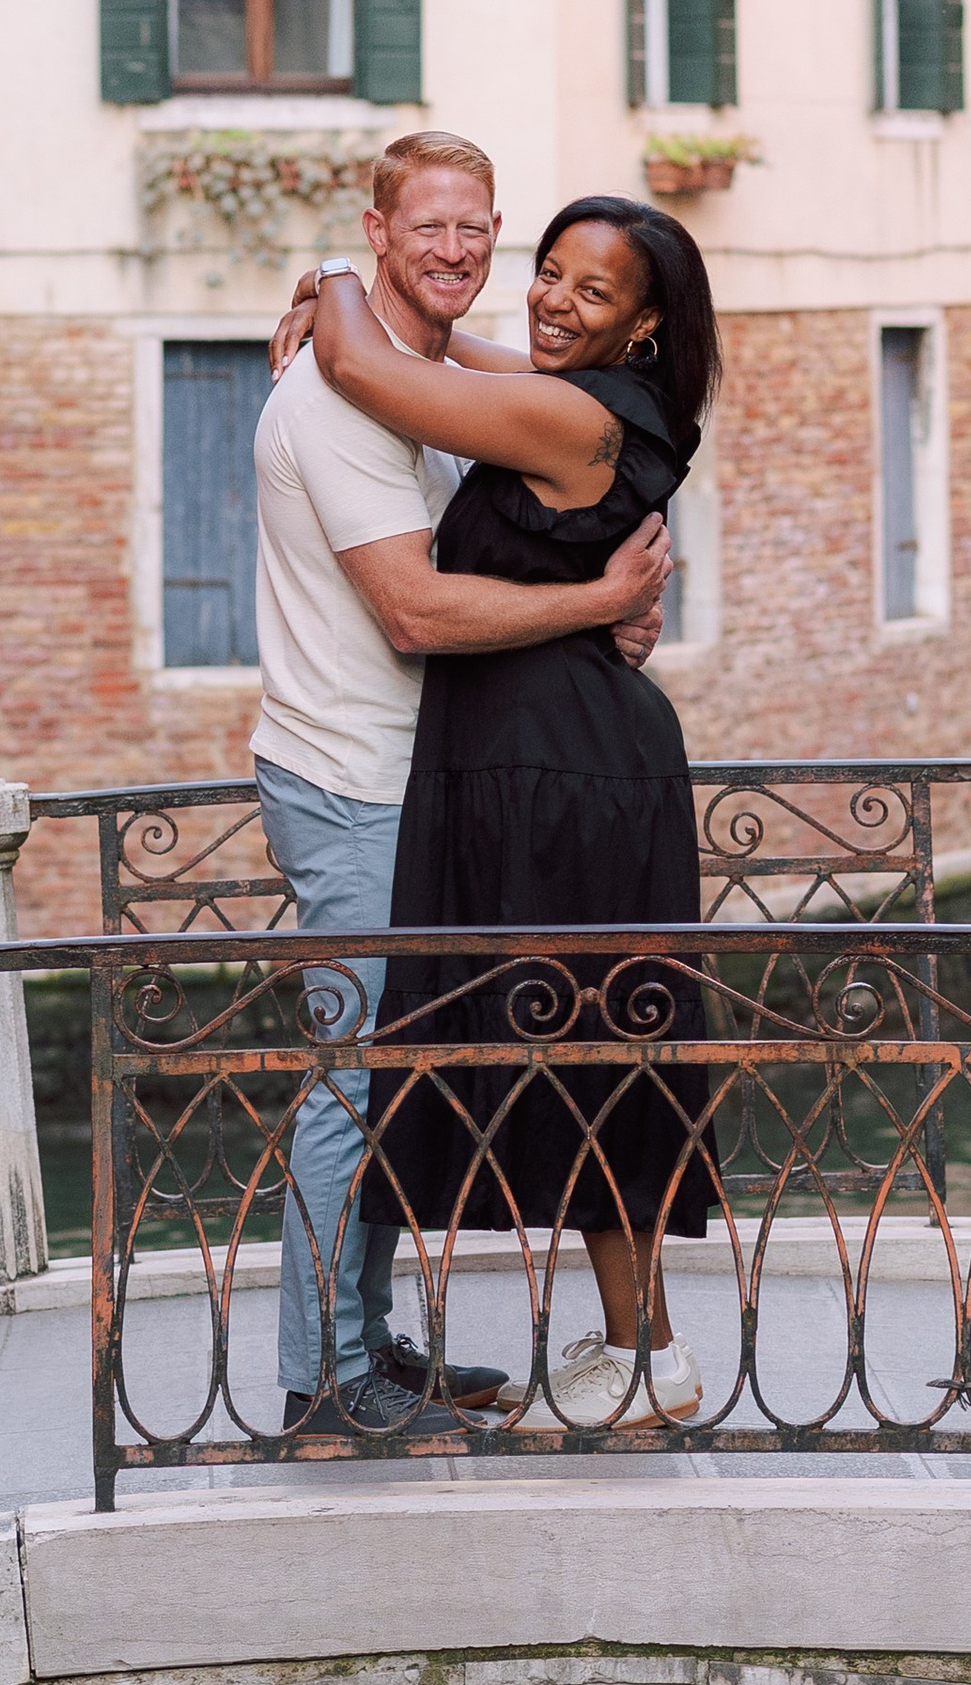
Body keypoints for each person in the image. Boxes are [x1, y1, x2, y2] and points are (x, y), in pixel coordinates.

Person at [250, 131, 672, 1433]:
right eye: (425, 227)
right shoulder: (336, 403)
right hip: (353, 782)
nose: (455, 250)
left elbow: (530, 425)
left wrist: (330, 287)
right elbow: (415, 613)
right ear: (378, 232)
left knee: (393, 1072)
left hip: (412, 782)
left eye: (475, 229)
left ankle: (365, 1344)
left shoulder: (412, 374)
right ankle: (325, 1380)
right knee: (351, 1080)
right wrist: (593, 602)